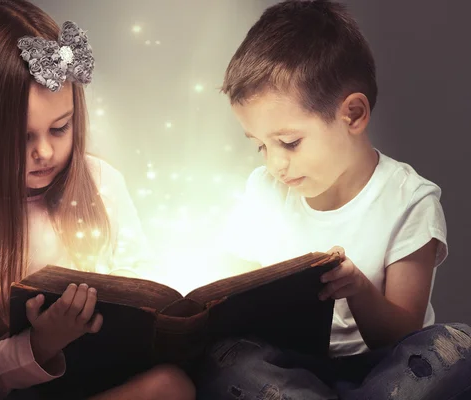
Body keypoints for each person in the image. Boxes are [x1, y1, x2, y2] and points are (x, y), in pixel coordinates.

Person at [0, 1, 195, 399]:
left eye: (60, 129)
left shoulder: (102, 183)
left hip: (99, 385)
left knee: (170, 386)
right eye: (22, 137)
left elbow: (144, 291)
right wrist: (41, 344)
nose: (44, 152)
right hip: (6, 389)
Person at [196, 1, 471, 399]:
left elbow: (404, 336)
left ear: (354, 115)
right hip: (289, 369)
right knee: (228, 360)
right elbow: (235, 296)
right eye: (260, 147)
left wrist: (358, 289)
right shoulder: (264, 191)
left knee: (455, 347)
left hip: (386, 370)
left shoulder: (409, 198)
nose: (275, 164)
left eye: (289, 143)